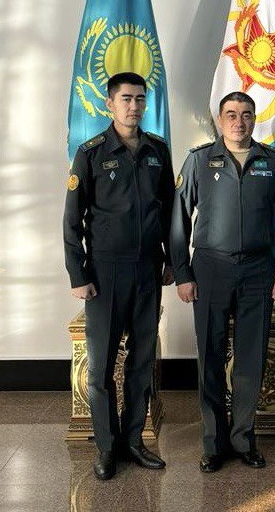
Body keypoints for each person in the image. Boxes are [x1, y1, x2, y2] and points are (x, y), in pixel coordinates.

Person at [170, 91, 275, 473]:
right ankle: (213, 443)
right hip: (210, 269)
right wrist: (182, 273)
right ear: (219, 119)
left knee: (251, 357)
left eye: (245, 115)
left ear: (254, 118)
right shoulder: (199, 160)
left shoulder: (272, 162)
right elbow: (178, 221)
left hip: (258, 271)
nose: (238, 122)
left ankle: (244, 439)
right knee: (210, 357)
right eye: (231, 114)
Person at [63, 71, 175, 480]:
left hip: (147, 270)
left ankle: (133, 441)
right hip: (105, 273)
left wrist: (173, 262)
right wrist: (78, 273)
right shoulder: (91, 153)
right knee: (101, 368)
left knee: (142, 362)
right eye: (126, 98)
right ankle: (107, 447)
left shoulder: (157, 150)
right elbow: (72, 220)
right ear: (109, 103)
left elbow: (170, 212)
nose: (134, 106)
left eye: (140, 99)